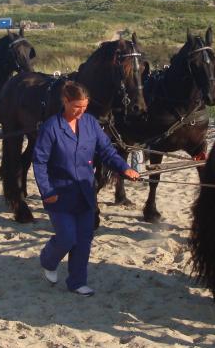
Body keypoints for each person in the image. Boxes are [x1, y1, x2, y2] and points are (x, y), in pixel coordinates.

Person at [32, 81, 139, 296]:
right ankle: (48, 260)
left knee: (84, 239)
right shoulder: (51, 127)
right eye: (76, 107)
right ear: (65, 101)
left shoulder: (90, 123)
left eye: (84, 106)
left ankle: (77, 282)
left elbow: (107, 151)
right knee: (67, 237)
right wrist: (46, 191)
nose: (80, 111)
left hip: (85, 192)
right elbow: (39, 162)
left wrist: (124, 168)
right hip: (58, 194)